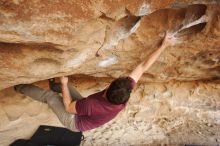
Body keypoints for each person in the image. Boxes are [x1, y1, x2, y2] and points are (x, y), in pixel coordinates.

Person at [14, 32, 172, 132]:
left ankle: (18, 86)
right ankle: (56, 83)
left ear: (107, 89)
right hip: (86, 111)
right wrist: (163, 45)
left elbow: (69, 108)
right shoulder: (124, 92)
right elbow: (143, 67)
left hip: (75, 122)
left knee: (51, 96)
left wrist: (63, 84)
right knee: (68, 86)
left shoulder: (91, 105)